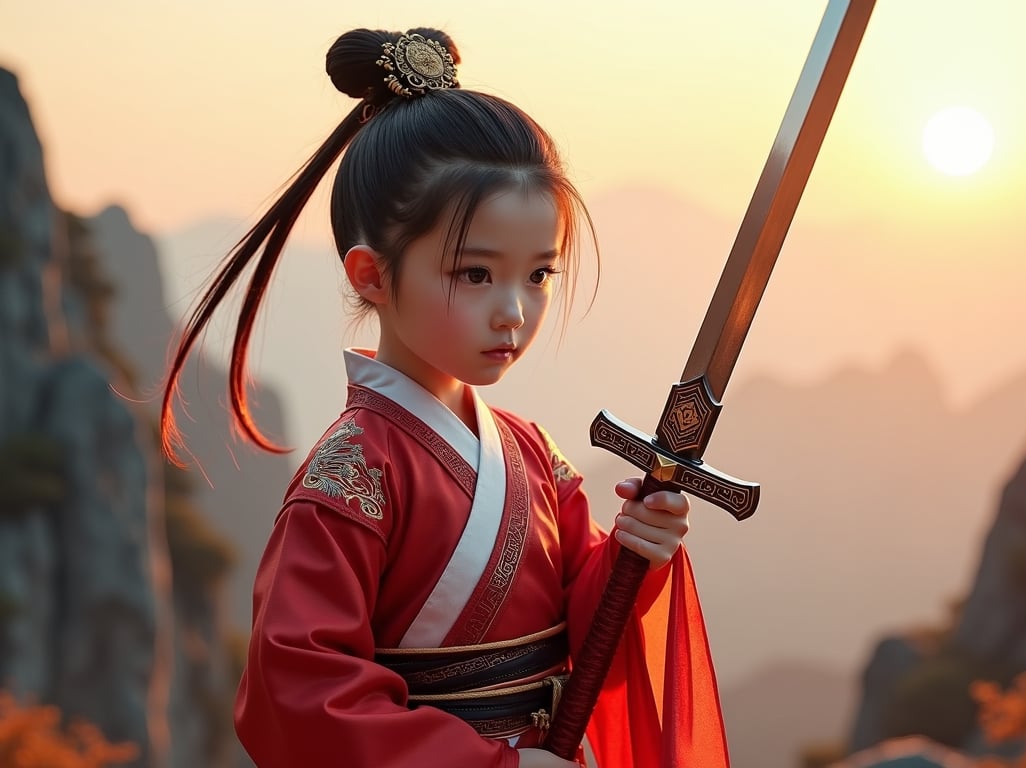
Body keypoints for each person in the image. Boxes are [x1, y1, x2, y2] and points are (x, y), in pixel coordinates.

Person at [161, 26, 729, 768]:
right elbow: (298, 695)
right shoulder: (350, 476)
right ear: (371, 276)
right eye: (474, 275)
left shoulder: (531, 451)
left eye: (538, 275)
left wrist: (632, 560)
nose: (514, 312)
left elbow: (580, 634)